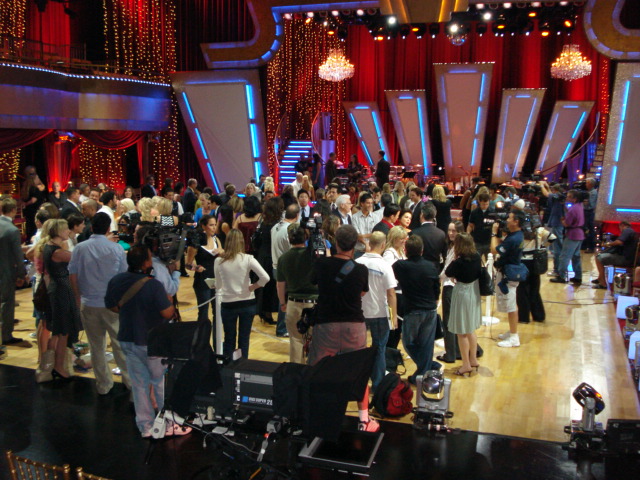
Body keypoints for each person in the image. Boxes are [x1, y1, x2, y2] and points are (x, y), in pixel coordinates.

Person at [104, 245, 187, 438]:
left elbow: (111, 306)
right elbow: (168, 313)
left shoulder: (117, 280)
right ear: (146, 263)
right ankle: (168, 423)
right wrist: (169, 301)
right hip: (151, 341)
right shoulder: (153, 285)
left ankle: (146, 426)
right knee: (160, 383)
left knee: (139, 384)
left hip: (127, 338)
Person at [308, 225, 379, 432]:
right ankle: (364, 419)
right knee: (358, 371)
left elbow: (314, 282)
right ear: (355, 244)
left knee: (318, 369)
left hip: (326, 324)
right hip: (353, 325)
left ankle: (316, 415)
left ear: (335, 242)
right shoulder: (360, 269)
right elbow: (362, 293)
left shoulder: (322, 264)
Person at [69, 212, 131, 394]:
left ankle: (103, 384)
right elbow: (123, 276)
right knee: (120, 345)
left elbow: (73, 274)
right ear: (108, 228)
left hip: (88, 302)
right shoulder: (116, 249)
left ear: (91, 227)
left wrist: (77, 297)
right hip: (111, 304)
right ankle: (129, 381)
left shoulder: (80, 248)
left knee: (96, 346)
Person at [392, 235, 441, 384]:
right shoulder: (431, 266)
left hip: (413, 310)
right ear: (422, 250)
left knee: (408, 343)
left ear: (406, 250)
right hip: (430, 309)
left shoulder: (400, 266)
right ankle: (427, 368)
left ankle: (427, 368)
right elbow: (436, 287)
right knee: (426, 345)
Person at [214, 229, 269, 359]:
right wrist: (252, 287)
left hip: (228, 304)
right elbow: (265, 278)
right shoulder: (248, 259)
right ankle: (243, 365)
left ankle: (228, 366)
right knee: (244, 338)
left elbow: (218, 285)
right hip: (247, 302)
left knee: (229, 338)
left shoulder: (219, 261)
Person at [41, 219, 83, 378]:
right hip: (61, 291)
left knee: (58, 331)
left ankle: (50, 365)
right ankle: (59, 366)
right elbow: (78, 257)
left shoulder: (48, 247)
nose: (68, 231)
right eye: (65, 229)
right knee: (63, 331)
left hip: (58, 289)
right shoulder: (57, 252)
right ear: (58, 231)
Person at [356, 232, 397, 391]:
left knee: (357, 349)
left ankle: (357, 383)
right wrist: (393, 317)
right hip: (379, 313)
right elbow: (391, 293)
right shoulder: (385, 266)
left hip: (359, 312)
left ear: (369, 243)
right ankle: (377, 385)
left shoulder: (357, 263)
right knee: (379, 348)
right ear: (383, 245)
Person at [276, 223, 318, 362]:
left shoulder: (283, 258)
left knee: (295, 340)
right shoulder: (313, 256)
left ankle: (296, 373)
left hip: (293, 303)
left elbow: (280, 285)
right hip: (314, 304)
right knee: (316, 342)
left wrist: (283, 303)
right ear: (305, 237)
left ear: (289, 238)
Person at [445, 233, 482, 376]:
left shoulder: (459, 262)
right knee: (470, 329)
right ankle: (473, 359)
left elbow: (448, 272)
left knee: (461, 333)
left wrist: (455, 259)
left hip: (462, 293)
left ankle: (466, 364)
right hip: (474, 291)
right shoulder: (477, 256)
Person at [491, 210, 526, 348]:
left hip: (509, 274)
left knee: (511, 305)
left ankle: (514, 337)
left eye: (510, 218)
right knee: (510, 303)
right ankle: (512, 331)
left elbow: (494, 249)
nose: (507, 220)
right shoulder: (517, 235)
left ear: (516, 221)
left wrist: (493, 233)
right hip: (509, 270)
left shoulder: (514, 239)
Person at [185, 215, 222, 340]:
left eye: (215, 224)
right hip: (202, 279)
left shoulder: (216, 239)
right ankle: (201, 342)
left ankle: (217, 342)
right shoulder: (196, 243)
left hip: (216, 279)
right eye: (211, 225)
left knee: (217, 312)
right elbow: (188, 264)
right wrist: (196, 268)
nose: (214, 227)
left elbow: (223, 253)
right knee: (203, 312)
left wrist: (221, 252)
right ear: (203, 226)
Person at [1, 197, 27, 347]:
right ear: (13, 210)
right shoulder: (12, 230)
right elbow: (18, 256)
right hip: (6, 271)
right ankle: (6, 335)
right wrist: (22, 274)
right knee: (7, 302)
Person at [271, 204, 300, 337]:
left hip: (276, 266)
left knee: (282, 298)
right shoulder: (290, 230)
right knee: (285, 300)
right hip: (285, 269)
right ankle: (282, 328)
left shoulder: (275, 227)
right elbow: (292, 251)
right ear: (297, 216)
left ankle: (283, 327)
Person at [438, 221, 464, 364]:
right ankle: (460, 351)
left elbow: (447, 270)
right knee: (457, 321)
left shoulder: (456, 249)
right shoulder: (459, 247)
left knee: (448, 322)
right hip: (459, 288)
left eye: (454, 231)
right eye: (449, 230)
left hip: (450, 287)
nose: (451, 233)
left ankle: (450, 354)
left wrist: (438, 279)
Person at [517, 226, 555, 323]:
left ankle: (524, 318)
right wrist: (542, 246)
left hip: (522, 262)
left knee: (522, 290)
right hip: (535, 263)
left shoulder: (518, 231)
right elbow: (552, 237)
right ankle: (539, 316)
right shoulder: (539, 230)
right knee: (535, 290)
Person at [550, 190, 584, 285]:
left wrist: (562, 220)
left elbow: (566, 223)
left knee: (564, 256)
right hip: (580, 233)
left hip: (572, 234)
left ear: (574, 199)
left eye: (569, 196)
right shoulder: (579, 206)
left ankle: (561, 276)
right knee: (576, 256)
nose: (567, 198)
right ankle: (578, 276)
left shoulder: (573, 209)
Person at [593, 221, 639, 289]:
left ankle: (603, 283)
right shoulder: (633, 232)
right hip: (631, 259)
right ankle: (600, 278)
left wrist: (607, 244)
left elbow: (619, 242)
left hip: (625, 259)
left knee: (599, 258)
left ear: (622, 225)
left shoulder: (627, 231)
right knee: (603, 256)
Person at [410, 203, 447, 272]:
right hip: (435, 268)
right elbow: (444, 254)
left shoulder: (414, 233)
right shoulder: (441, 233)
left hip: (418, 268)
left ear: (421, 215)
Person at [21, 165, 48, 239]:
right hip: (35, 210)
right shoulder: (35, 188)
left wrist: (25, 204)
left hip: (28, 211)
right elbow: (33, 200)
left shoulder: (25, 186)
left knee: (29, 226)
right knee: (35, 227)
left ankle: (30, 239)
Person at [467, 192, 494, 259]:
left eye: (486, 204)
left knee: (490, 260)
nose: (485, 206)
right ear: (479, 202)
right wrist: (468, 234)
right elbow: (471, 225)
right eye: (483, 204)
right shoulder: (474, 212)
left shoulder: (493, 212)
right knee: (476, 259)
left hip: (489, 240)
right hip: (477, 240)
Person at [582, 178, 598, 253]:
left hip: (589, 212)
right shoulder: (589, 192)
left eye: (587, 183)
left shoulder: (593, 193)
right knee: (585, 229)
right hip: (586, 212)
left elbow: (591, 204)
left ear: (591, 184)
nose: (585, 184)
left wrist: (584, 201)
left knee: (589, 230)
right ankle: (585, 245)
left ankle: (590, 247)